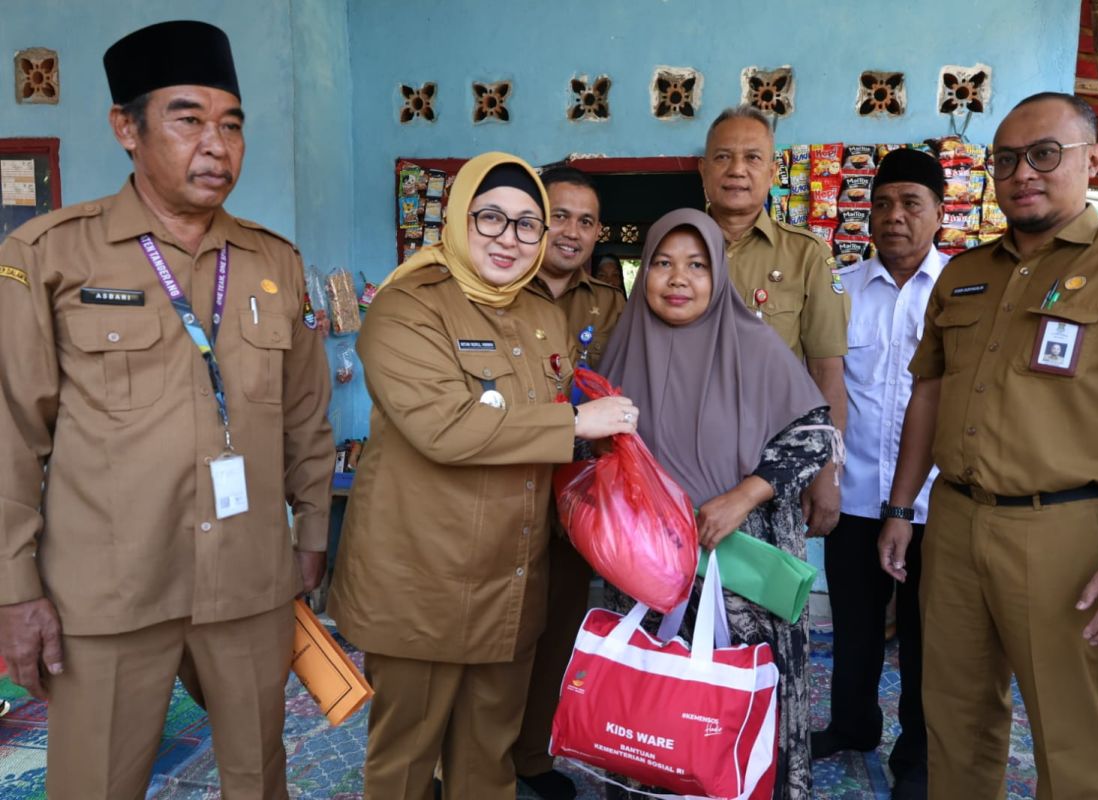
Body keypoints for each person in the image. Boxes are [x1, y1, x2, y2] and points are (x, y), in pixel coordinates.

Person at [0, 20, 334, 799]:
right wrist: (15, 587)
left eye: (232, 124)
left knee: (258, 777)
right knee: (96, 784)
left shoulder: (272, 261)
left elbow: (306, 418)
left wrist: (312, 530)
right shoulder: (51, 256)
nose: (216, 146)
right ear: (127, 127)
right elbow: (11, 431)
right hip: (112, 589)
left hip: (250, 583)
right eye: (188, 119)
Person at [878, 92, 1098, 799]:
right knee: (954, 721)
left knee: (1071, 735)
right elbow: (928, 394)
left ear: (1093, 159)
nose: (1023, 172)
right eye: (1006, 159)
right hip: (956, 524)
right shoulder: (965, 273)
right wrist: (901, 506)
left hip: (1069, 531)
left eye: (1044, 154)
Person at [327, 152, 638, 800]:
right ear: (458, 217)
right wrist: (576, 424)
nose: (509, 237)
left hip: (510, 578)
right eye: (491, 217)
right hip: (424, 581)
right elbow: (445, 427)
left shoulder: (539, 314)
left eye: (528, 225)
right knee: (404, 765)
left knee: (486, 764)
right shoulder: (407, 308)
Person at [600, 208, 839, 800]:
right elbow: (592, 452)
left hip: (745, 563)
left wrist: (740, 497)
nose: (678, 279)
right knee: (652, 706)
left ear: (719, 275)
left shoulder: (752, 344)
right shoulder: (622, 349)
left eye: (697, 266)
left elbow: (814, 435)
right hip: (650, 570)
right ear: (643, 272)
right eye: (662, 263)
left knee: (742, 709)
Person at [813, 148, 947, 800]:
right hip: (856, 493)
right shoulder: (839, 289)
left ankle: (916, 760)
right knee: (856, 625)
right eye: (884, 203)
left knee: (927, 639)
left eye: (911, 203)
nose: (894, 217)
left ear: (939, 213)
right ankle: (852, 724)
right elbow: (823, 389)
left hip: (933, 505)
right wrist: (826, 479)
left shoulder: (962, 290)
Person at [515, 166, 626, 800]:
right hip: (504, 487)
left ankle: (531, 757)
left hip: (576, 496)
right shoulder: (497, 287)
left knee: (558, 628)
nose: (572, 231)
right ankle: (472, 763)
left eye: (586, 221)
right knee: (496, 636)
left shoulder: (609, 304)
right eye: (559, 215)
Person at [699, 105, 849, 538]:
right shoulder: (676, 247)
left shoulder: (806, 255)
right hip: (685, 465)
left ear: (772, 171)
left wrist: (827, 471)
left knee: (764, 600)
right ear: (703, 169)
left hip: (773, 470)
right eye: (723, 157)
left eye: (753, 157)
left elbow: (826, 372)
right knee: (680, 597)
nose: (737, 170)